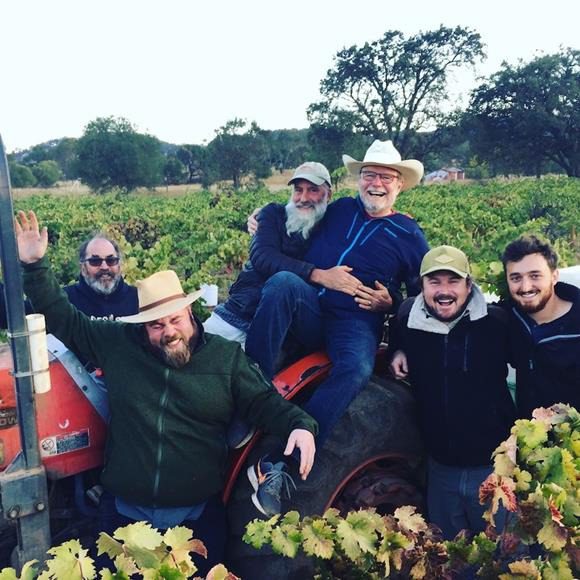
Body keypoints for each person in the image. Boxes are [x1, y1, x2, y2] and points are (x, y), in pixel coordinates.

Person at [15, 210, 317, 575]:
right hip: (124, 519)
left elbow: (264, 401)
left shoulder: (225, 358)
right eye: (156, 324)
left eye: (175, 319)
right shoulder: (119, 345)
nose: (168, 331)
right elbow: (64, 318)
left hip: (195, 521)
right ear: (143, 327)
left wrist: (300, 425)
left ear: (190, 312)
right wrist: (34, 266)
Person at [244, 140, 429, 512]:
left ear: (400, 185)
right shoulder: (340, 209)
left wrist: (391, 303)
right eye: (369, 175)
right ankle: (250, 395)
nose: (376, 183)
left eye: (386, 177)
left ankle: (284, 463)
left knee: (357, 368)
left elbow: (419, 294)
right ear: (359, 180)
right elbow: (299, 208)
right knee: (282, 283)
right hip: (311, 305)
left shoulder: (410, 236)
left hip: (355, 319)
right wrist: (261, 215)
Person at [389, 245, 515, 540]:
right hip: (441, 470)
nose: (444, 291)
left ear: (469, 285)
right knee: (451, 556)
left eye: (453, 281)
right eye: (435, 282)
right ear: (421, 286)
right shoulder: (409, 316)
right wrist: (397, 349)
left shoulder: (497, 323)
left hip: (492, 468)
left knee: (501, 555)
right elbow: (396, 324)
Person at [502, 234, 580, 419]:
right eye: (515, 278)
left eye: (535, 276)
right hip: (528, 440)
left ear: (554, 276)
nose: (526, 286)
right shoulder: (506, 319)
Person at [0, 232, 138, 327]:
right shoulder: (64, 301)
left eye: (111, 260)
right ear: (83, 267)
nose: (104, 266)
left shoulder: (138, 299)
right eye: (95, 261)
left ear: (119, 265)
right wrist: (32, 262)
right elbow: (11, 316)